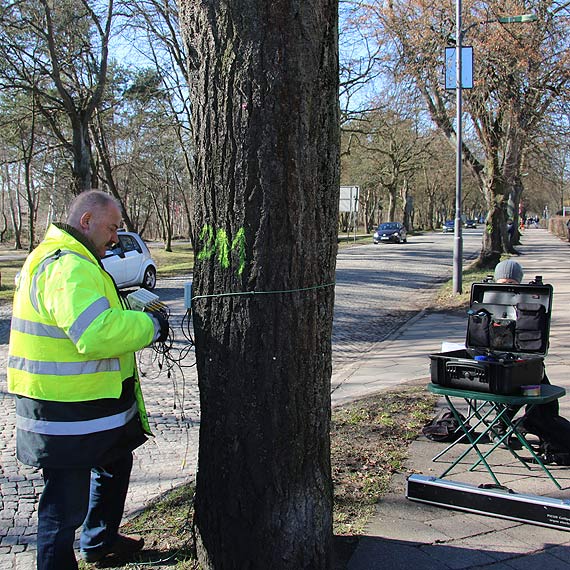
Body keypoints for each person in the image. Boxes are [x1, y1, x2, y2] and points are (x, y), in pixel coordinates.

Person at [7, 190, 168, 569]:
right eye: (112, 228)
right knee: (64, 507)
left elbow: (88, 314)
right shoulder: (68, 266)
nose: (115, 238)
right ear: (86, 221)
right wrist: (151, 324)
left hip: (87, 411)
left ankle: (100, 541)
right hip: (64, 414)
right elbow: (94, 332)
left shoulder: (71, 260)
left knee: (115, 462)